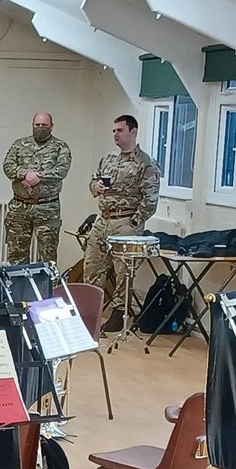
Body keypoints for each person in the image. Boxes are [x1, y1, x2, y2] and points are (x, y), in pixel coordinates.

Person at [83, 114, 161, 333]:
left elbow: (151, 200)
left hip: (125, 221)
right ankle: (90, 315)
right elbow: (93, 180)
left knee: (123, 272)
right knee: (92, 266)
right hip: (103, 219)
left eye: (120, 130)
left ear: (133, 132)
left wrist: (134, 223)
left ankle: (118, 313)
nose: (115, 134)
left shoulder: (145, 164)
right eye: (114, 131)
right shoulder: (108, 160)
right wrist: (95, 187)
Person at [2, 112, 72, 265]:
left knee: (48, 257)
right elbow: (8, 166)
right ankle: (19, 289)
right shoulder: (19, 145)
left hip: (47, 208)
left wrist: (38, 177)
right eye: (37, 125)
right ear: (32, 125)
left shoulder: (60, 147)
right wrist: (25, 174)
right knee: (16, 256)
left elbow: (62, 170)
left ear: (51, 126)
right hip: (19, 207)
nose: (40, 128)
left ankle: (45, 289)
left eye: (44, 125)